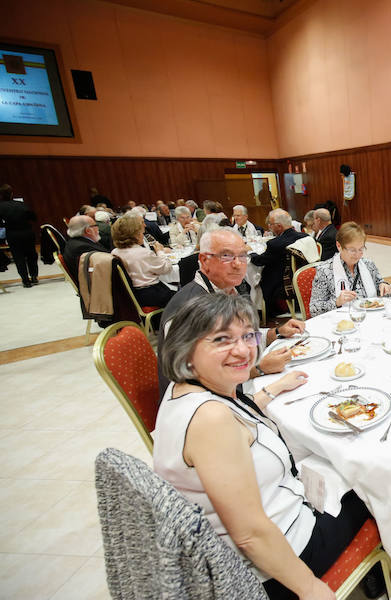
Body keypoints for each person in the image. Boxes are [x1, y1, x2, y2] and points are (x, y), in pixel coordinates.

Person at [154, 293, 370, 600]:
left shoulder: (188, 391)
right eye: (221, 340)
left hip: (265, 531)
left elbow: (240, 422)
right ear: (186, 350)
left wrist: (275, 387)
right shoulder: (211, 420)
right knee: (372, 489)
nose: (242, 350)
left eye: (246, 336)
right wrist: (309, 588)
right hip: (278, 560)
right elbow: (250, 534)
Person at [157, 228, 306, 399]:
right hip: (204, 406)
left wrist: (276, 333)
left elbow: (240, 337)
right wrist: (258, 368)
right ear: (204, 260)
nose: (238, 264)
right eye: (226, 256)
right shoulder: (189, 308)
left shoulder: (229, 291)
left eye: (243, 255)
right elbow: (190, 378)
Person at [309, 221, 391, 317]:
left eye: (361, 249)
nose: (357, 255)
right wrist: (337, 302)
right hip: (341, 322)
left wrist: (385, 286)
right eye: (352, 250)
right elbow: (314, 309)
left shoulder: (368, 264)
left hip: (370, 317)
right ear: (339, 246)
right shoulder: (325, 270)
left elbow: (381, 290)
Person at [250, 209, 307, 318]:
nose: (269, 227)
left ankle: (261, 312)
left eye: (270, 225)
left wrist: (250, 253)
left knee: (253, 279)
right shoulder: (305, 237)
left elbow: (259, 261)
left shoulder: (275, 244)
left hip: (284, 284)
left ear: (279, 226)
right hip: (302, 278)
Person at [110, 215, 175, 307]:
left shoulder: (115, 252)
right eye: (141, 233)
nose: (142, 235)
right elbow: (166, 269)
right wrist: (160, 252)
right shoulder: (143, 253)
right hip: (151, 295)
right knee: (184, 294)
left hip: (129, 296)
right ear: (135, 235)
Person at [0, 184, 39, 287]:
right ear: (12, 193)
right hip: (27, 232)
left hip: (13, 234)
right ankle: (34, 276)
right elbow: (33, 217)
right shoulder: (21, 204)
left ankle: (25, 280)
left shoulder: (1, 207)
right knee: (31, 255)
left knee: (18, 258)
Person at [62, 214, 108, 283]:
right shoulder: (82, 248)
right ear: (88, 231)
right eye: (96, 225)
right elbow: (105, 266)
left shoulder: (76, 242)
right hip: (97, 286)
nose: (98, 228)